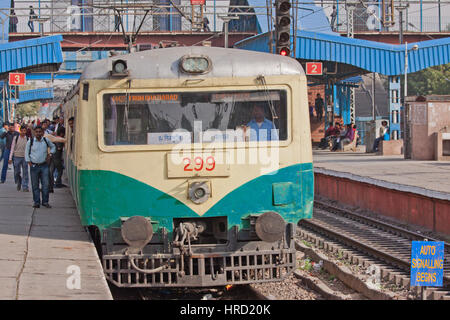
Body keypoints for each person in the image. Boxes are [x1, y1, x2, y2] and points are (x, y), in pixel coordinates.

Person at [25, 126, 56, 208]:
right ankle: (36, 202)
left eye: (40, 132)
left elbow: (53, 147)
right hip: (34, 166)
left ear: (42, 133)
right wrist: (29, 162)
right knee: (35, 185)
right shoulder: (30, 141)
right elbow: (26, 152)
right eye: (37, 132)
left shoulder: (46, 141)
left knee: (45, 185)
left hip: (44, 166)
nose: (38, 133)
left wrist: (50, 154)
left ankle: (45, 202)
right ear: (34, 133)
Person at [8, 126, 29, 192]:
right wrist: (10, 158)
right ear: (20, 131)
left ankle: (25, 186)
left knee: (25, 172)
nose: (23, 132)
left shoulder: (28, 139)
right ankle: (19, 181)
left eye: (24, 131)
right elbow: (12, 148)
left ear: (26, 131)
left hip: (25, 158)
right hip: (16, 157)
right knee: (16, 172)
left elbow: (30, 149)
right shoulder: (16, 138)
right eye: (22, 131)